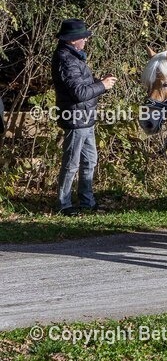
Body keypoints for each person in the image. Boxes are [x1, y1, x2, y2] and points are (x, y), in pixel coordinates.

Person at [51, 18, 116, 216]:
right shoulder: (65, 59)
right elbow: (78, 93)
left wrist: (98, 83)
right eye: (83, 37)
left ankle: (87, 201)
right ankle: (64, 204)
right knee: (71, 163)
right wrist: (102, 85)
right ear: (72, 40)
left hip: (85, 118)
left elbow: (81, 85)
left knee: (90, 160)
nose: (86, 40)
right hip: (75, 118)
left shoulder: (74, 57)